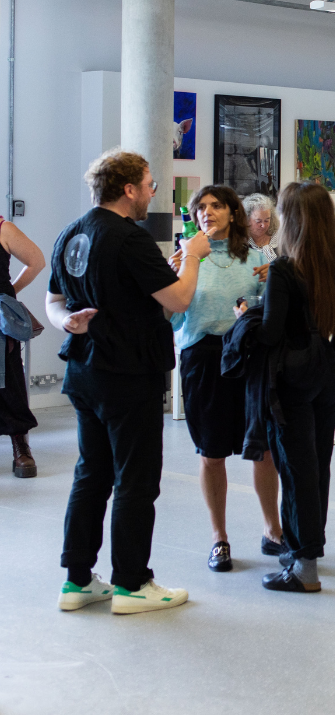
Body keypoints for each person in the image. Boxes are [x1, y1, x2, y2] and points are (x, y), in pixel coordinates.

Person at [46, 149, 210, 614]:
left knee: (91, 473)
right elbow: (178, 299)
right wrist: (195, 255)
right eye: (151, 184)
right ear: (130, 190)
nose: (153, 192)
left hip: (85, 373)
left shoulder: (71, 233)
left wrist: (66, 323)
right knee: (136, 480)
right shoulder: (130, 239)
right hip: (128, 374)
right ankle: (132, 583)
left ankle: (77, 581)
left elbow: (53, 300)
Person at [237, 181, 335, 593]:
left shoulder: (285, 270)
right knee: (317, 466)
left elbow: (269, 334)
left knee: (296, 468)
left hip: (288, 383)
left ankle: (305, 566)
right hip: (325, 378)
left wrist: (247, 314)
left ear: (293, 219)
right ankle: (307, 548)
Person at [168, 185, 281, 573]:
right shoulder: (185, 260)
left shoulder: (256, 256)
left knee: (263, 449)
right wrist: (170, 280)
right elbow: (169, 317)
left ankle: (273, 531)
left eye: (216, 206)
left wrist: (257, 305)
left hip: (248, 359)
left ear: (233, 213)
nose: (207, 212)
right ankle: (219, 538)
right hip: (203, 360)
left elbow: (273, 309)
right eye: (201, 207)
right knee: (211, 453)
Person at [0, 217, 46, 477]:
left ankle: (21, 446)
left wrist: (10, 291)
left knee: (9, 382)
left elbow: (36, 261)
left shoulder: (3, 228)